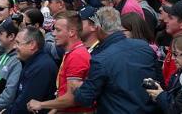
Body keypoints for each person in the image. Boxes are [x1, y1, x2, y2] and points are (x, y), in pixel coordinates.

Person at [27, 6, 160, 112]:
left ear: (99, 28)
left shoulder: (100, 59)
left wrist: (78, 88)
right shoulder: (144, 47)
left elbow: (85, 98)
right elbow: (159, 83)